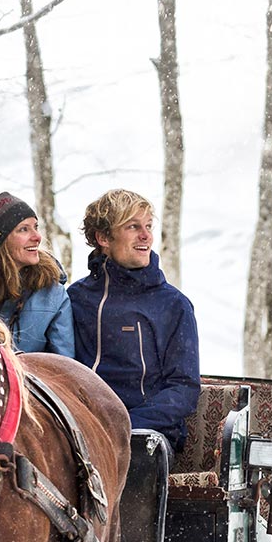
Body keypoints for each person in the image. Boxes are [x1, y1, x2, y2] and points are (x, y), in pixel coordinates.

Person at [68, 189, 199, 451]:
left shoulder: (173, 305)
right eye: (133, 226)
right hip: (81, 429)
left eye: (148, 226)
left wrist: (127, 425)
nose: (146, 235)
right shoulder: (76, 297)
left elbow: (183, 388)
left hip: (144, 437)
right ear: (103, 237)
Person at [0, 192, 76, 358]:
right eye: (23, 229)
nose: (37, 237)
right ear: (0, 241)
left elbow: (64, 367)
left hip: (32, 382)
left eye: (35, 227)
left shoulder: (52, 294)